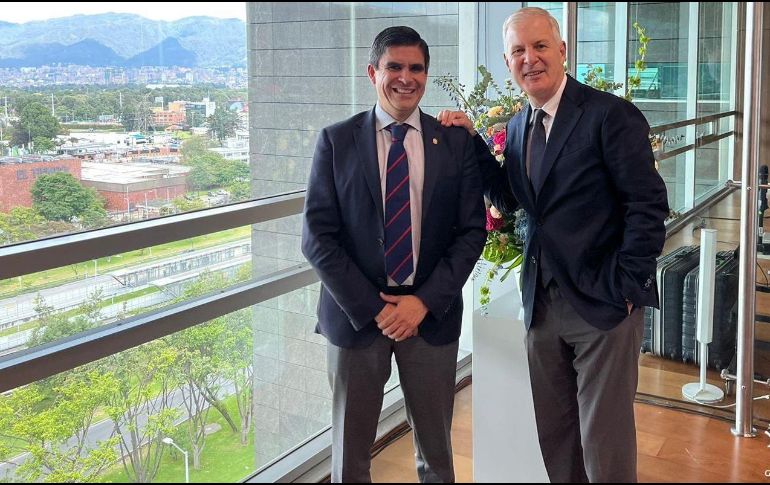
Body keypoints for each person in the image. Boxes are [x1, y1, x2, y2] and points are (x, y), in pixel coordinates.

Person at [438, 7, 669, 483]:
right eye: (518, 51)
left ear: (562, 51)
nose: (531, 59)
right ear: (508, 63)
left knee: (604, 441)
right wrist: (474, 144)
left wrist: (627, 284)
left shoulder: (610, 115)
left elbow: (647, 205)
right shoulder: (522, 125)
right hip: (542, 302)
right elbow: (512, 198)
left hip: (603, 302)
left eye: (540, 46)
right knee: (556, 432)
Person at [301, 25, 486, 483]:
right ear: (373, 72)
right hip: (357, 317)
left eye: (416, 68)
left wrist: (422, 303)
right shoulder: (336, 141)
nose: (406, 78)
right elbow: (317, 237)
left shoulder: (454, 142)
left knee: (437, 452)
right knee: (350, 452)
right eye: (394, 67)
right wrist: (375, 310)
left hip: (430, 315)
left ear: (426, 74)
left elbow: (471, 231)